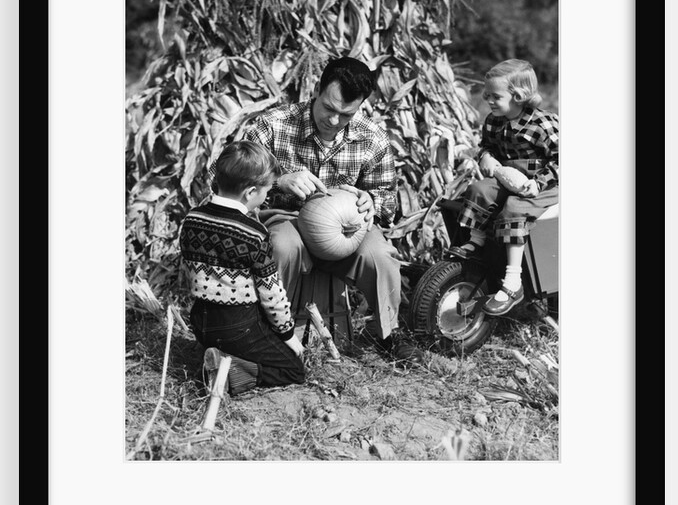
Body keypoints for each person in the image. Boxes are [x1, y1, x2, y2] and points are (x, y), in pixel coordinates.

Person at [242, 56, 422, 363]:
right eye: (329, 108)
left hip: (345, 230)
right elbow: (229, 181)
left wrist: (371, 201)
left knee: (379, 255)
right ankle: (266, 332)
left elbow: (387, 201)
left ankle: (389, 334)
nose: (335, 120)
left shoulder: (372, 139)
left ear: (360, 106)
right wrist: (277, 182)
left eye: (346, 114)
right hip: (289, 219)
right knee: (282, 247)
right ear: (316, 89)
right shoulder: (271, 127)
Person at [179, 140, 305, 396]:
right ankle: (229, 370)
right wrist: (288, 335)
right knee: (294, 371)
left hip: (201, 319)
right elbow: (272, 295)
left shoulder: (191, 219)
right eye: (266, 191)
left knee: (239, 331)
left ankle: (213, 351)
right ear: (250, 193)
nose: (267, 197)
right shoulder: (254, 233)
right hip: (238, 326)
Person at [446, 59, 559, 316]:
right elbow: (486, 146)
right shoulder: (493, 121)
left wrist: (537, 183)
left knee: (514, 207)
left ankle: (512, 282)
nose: (489, 101)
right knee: (478, 190)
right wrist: (485, 156)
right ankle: (476, 242)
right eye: (487, 95)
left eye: (495, 96)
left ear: (518, 97)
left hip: (545, 183)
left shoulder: (543, 124)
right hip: (508, 177)